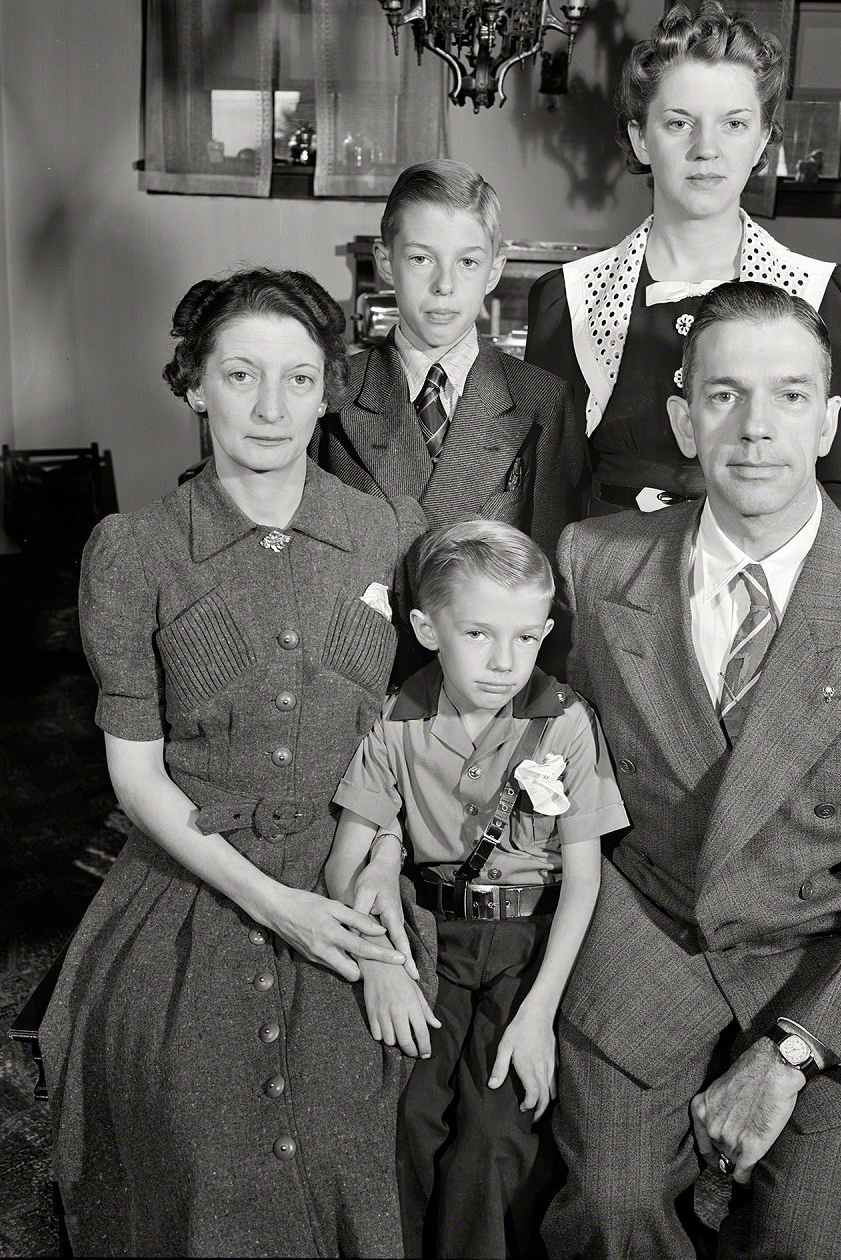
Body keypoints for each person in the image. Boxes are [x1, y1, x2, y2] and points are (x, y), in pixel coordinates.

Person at [543, 281, 841, 1259]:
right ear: (681, 417)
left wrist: (794, 1054)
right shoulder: (594, 561)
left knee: (807, 1238)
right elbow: (559, 774)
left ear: (828, 420)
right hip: (647, 935)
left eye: (789, 395)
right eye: (724, 395)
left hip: (828, 957)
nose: (756, 428)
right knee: (609, 1213)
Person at [38, 269, 432, 1257]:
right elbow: (136, 778)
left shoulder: (388, 535)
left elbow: (403, 722)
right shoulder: (132, 551)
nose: (270, 405)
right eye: (241, 374)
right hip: (194, 877)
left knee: (363, 1129)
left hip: (350, 866)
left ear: (328, 388)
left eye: (299, 378)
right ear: (194, 386)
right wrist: (272, 904)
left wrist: (376, 861)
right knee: (195, 1134)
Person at [325, 520, 629, 1259]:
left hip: (528, 948)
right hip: (427, 941)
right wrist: (385, 966)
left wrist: (538, 1016)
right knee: (408, 1119)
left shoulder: (563, 722)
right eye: (479, 635)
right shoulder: (398, 721)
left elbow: (584, 880)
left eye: (526, 638)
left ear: (547, 632)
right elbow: (345, 866)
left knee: (496, 1134)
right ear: (428, 629)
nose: (504, 662)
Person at [525, 0, 841, 525]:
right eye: (678, 123)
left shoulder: (826, 295)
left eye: (734, 124)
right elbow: (548, 496)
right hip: (604, 584)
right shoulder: (570, 299)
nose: (706, 149)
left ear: (763, 139)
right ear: (639, 138)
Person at [311, 159, 587, 563]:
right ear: (386, 263)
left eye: (468, 262)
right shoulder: (335, 392)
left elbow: (551, 571)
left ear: (494, 271)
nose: (444, 285)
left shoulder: (542, 400)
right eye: (421, 259)